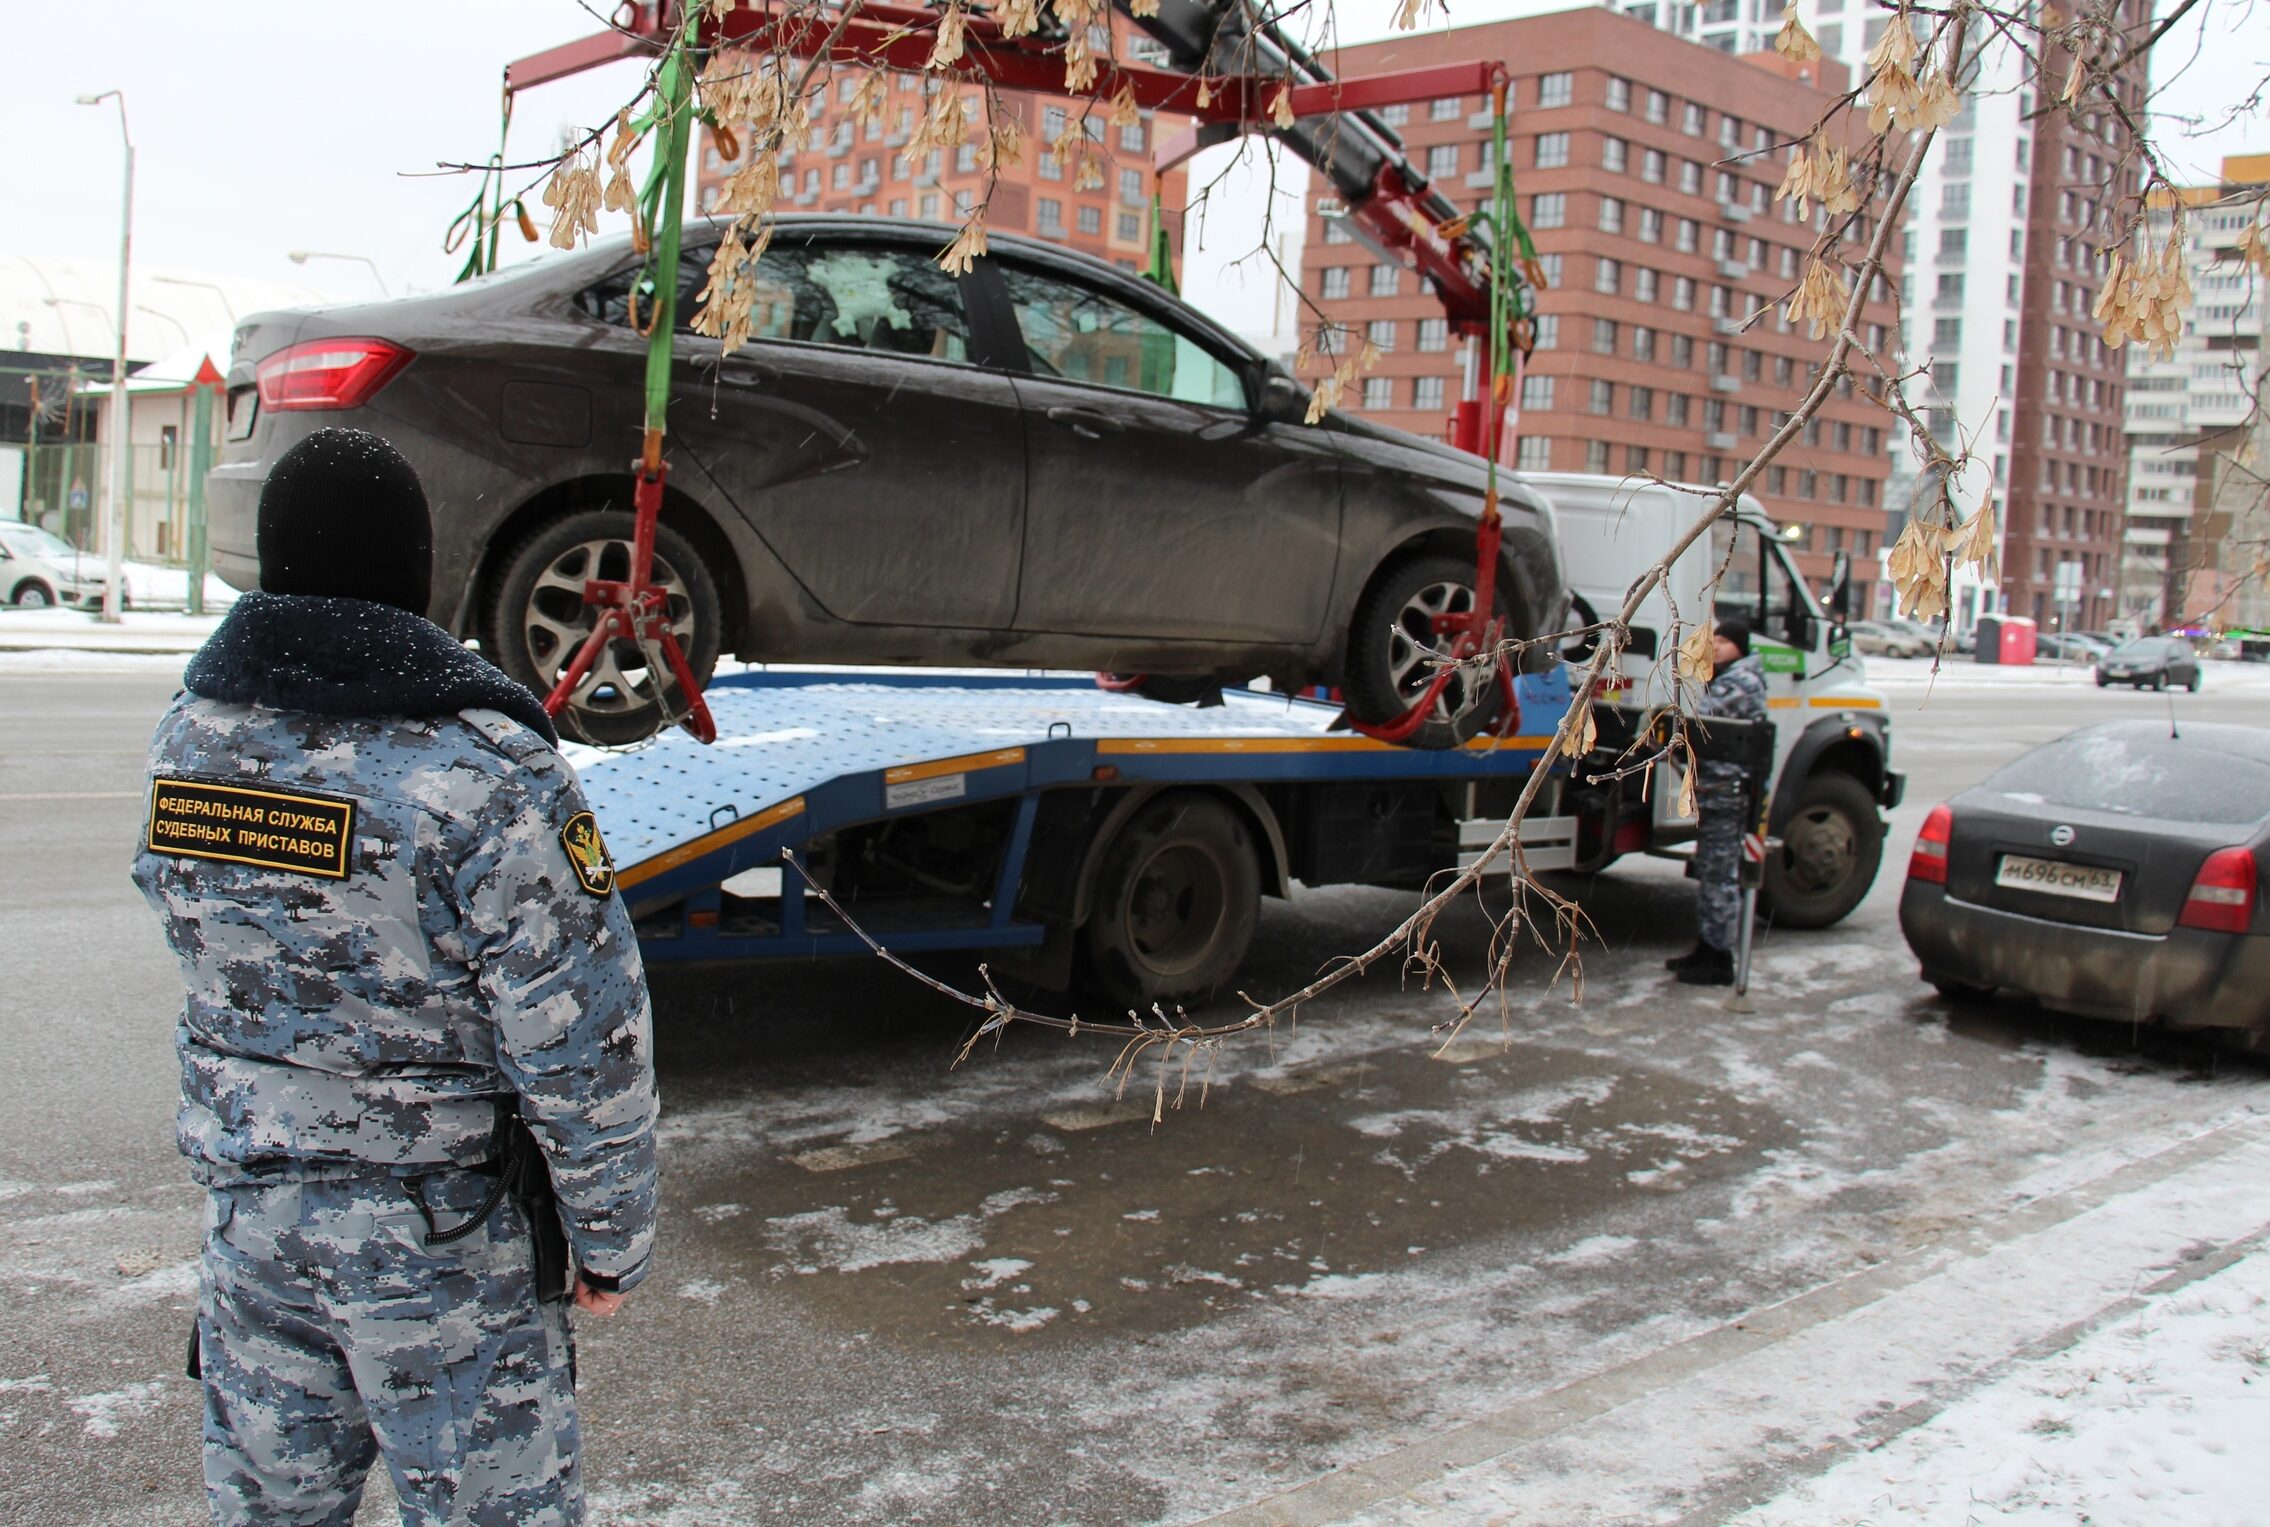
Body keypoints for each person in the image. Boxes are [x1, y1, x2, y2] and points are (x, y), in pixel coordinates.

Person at [132, 427, 659, 1525]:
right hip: (445, 1249)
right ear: (415, 573)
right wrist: (609, 1238)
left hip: (252, 1230)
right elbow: (582, 1033)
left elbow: (187, 925)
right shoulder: (488, 766)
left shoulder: (191, 738)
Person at [1666, 616, 1769, 986]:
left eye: (1725, 641)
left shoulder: (1741, 682)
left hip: (1728, 792)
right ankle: (1708, 949)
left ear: (1740, 646)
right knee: (1711, 871)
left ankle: (1719, 957)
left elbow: (1702, 720)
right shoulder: (1728, 678)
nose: (1718, 646)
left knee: (1719, 875)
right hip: (1716, 789)